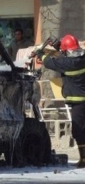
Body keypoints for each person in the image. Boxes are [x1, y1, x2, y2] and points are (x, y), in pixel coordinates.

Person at [37, 34, 85, 168]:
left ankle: (84, 159)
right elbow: (67, 56)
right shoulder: (81, 58)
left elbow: (50, 62)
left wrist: (40, 53)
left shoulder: (67, 63)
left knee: (78, 130)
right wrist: (59, 47)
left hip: (79, 101)